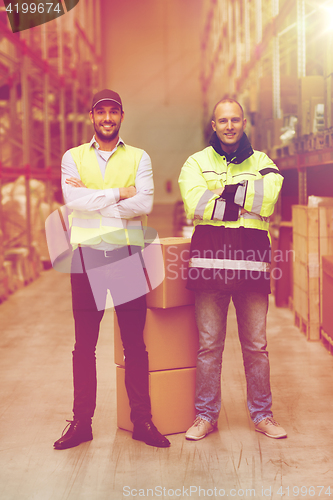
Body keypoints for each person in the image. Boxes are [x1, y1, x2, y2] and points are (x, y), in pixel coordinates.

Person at [53, 89, 170, 449]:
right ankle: (82, 423)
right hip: (86, 257)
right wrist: (121, 193)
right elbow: (73, 202)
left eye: (113, 112)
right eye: (100, 112)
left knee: (135, 344)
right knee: (83, 346)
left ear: (122, 116)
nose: (107, 118)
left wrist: (94, 199)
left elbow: (145, 200)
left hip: (127, 257)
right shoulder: (72, 157)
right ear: (92, 116)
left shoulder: (140, 156)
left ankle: (142, 422)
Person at [178, 98, 287, 441]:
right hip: (209, 267)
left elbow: (268, 201)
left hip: (251, 267)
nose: (229, 126)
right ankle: (205, 416)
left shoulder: (264, 161)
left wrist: (218, 198)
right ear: (214, 124)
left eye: (234, 120)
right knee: (209, 346)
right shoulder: (194, 162)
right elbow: (194, 203)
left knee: (256, 346)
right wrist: (242, 196)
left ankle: (263, 415)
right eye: (222, 120)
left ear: (243, 123)